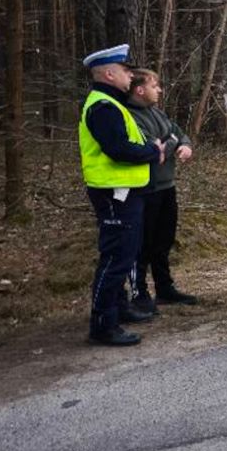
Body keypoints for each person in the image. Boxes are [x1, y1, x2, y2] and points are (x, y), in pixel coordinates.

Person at [79, 44, 164, 346]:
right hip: (114, 193)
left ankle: (119, 308)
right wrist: (152, 152)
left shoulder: (111, 104)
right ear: (110, 73)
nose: (131, 76)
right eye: (126, 71)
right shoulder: (103, 107)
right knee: (116, 258)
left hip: (125, 193)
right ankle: (103, 324)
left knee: (124, 254)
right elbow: (118, 149)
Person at [125, 68, 198, 314]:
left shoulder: (156, 113)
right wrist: (169, 143)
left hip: (168, 187)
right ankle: (139, 293)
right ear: (140, 89)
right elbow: (152, 151)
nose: (160, 90)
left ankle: (165, 288)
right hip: (145, 190)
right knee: (141, 244)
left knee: (163, 241)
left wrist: (183, 144)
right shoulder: (129, 117)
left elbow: (178, 135)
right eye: (155, 85)